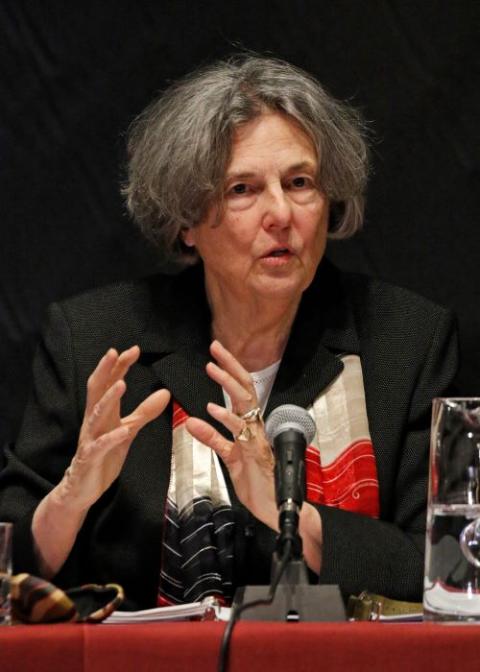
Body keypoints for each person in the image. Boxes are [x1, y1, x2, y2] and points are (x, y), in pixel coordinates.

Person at [0, 55, 457, 609]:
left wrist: (290, 514)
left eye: (300, 182)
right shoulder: (97, 339)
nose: (281, 213)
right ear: (185, 220)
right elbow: (11, 569)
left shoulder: (404, 339)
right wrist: (73, 495)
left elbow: (446, 567)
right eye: (242, 188)